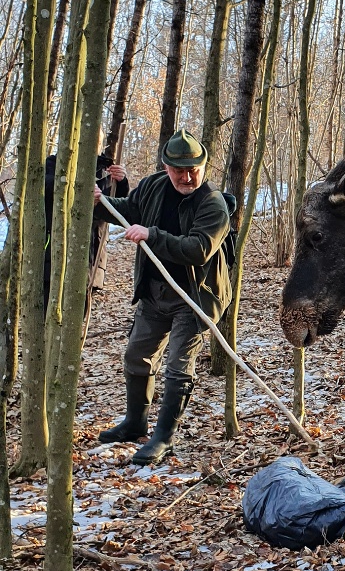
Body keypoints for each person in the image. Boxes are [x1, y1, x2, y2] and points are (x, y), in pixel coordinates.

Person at [94, 128, 233, 466]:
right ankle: (135, 422)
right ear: (166, 167)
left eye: (194, 170)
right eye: (179, 170)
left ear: (203, 166)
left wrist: (152, 235)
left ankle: (163, 438)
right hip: (155, 292)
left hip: (195, 297)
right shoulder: (155, 185)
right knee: (137, 356)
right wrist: (100, 203)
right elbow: (130, 209)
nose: (187, 177)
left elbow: (198, 249)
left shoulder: (213, 203)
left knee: (177, 369)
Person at [44, 152, 129, 314]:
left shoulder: (106, 169)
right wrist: (76, 185)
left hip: (91, 256)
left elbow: (119, 210)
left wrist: (122, 182)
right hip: (53, 257)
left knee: (77, 316)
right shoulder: (54, 163)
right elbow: (46, 188)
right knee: (48, 312)